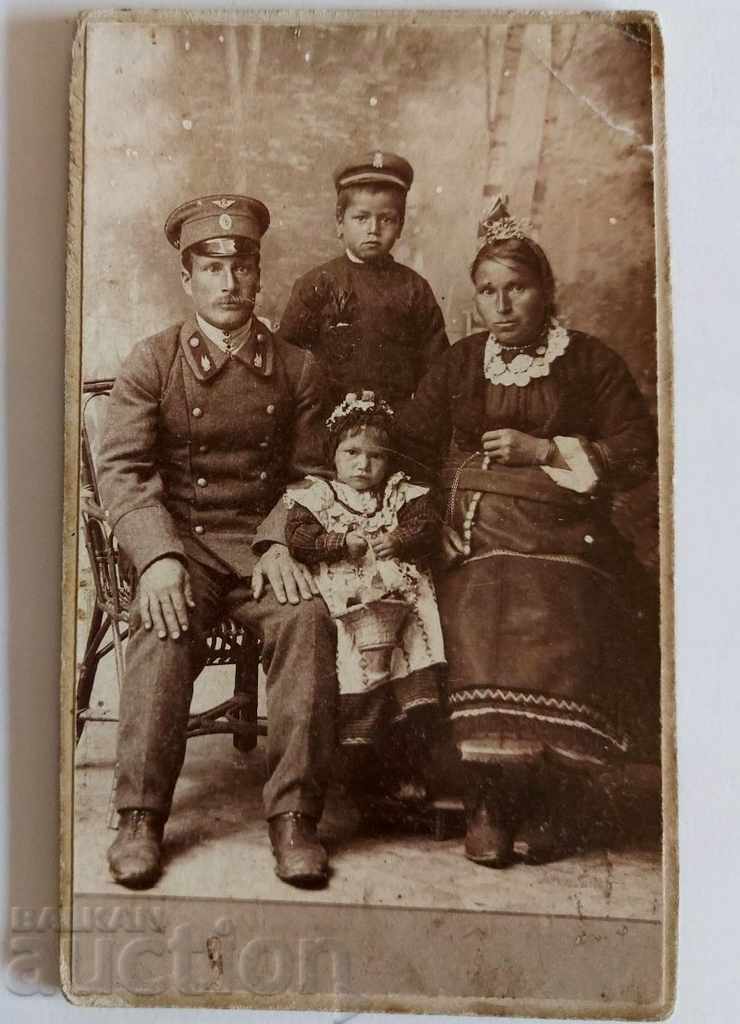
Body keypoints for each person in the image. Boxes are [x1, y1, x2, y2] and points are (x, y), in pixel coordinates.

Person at [395, 196, 657, 867]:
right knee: (483, 596)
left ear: (545, 291)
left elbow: (636, 447)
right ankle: (489, 798)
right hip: (472, 535)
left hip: (571, 536)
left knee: (567, 602)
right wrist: (433, 526)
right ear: (475, 300)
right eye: (488, 292)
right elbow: (408, 451)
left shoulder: (589, 361)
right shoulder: (459, 365)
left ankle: (556, 798)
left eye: (517, 288)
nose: (502, 305)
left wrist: (546, 451)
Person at [96, 194, 338, 891]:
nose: (228, 282)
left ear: (259, 274)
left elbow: (313, 472)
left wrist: (283, 540)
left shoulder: (298, 369)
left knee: (310, 622)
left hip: (265, 549)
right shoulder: (153, 361)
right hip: (185, 545)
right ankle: (139, 816)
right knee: (160, 625)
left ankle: (295, 818)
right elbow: (124, 471)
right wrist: (158, 558)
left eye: (242, 266)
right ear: (187, 277)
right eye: (211, 267)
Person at [283, 391, 445, 802]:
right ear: (333, 455)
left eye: (376, 456)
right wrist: (337, 542)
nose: (363, 464)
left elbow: (427, 527)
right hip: (348, 600)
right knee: (356, 673)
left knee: (410, 669)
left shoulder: (402, 494)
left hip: (402, 600)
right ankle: (359, 774)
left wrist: (400, 538)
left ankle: (409, 767)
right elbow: (300, 538)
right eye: (351, 452)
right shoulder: (316, 496)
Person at [276, 151, 449, 409]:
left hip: (397, 421)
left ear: (400, 225)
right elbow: (287, 360)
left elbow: (437, 369)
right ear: (339, 222)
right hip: (327, 420)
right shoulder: (317, 283)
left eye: (386, 219)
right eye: (361, 218)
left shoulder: (414, 288)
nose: (373, 229)